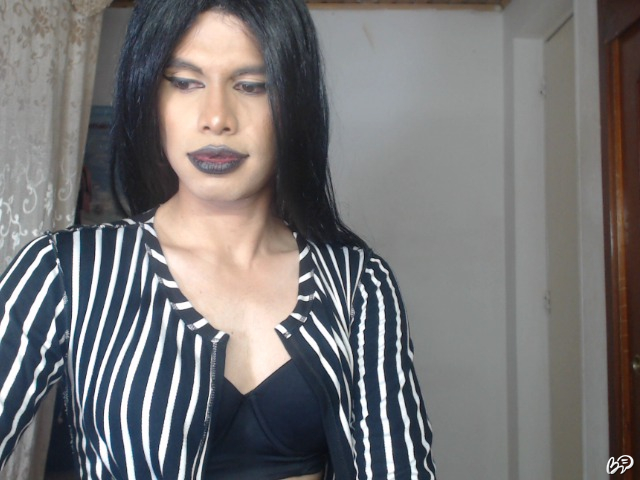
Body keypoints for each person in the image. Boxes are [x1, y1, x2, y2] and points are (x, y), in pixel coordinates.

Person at [0, 0, 436, 478]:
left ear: (294, 102)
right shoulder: (65, 271)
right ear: (149, 95)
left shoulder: (359, 284)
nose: (216, 118)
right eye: (185, 82)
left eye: (252, 86)